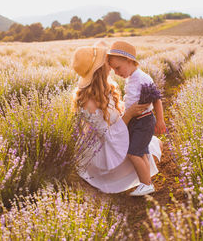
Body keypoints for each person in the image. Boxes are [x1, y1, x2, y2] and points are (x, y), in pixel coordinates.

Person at [71, 44, 162, 195]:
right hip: (105, 151)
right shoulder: (89, 102)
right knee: (143, 151)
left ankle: (145, 181)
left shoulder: (105, 86)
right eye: (106, 60)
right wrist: (129, 115)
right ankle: (143, 182)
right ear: (99, 69)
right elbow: (107, 136)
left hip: (118, 137)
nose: (110, 63)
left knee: (151, 145)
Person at [107, 40, 166, 196]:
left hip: (144, 121)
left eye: (118, 68)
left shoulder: (142, 78)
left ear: (129, 61)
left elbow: (156, 99)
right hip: (137, 121)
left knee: (134, 153)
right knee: (141, 153)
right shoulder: (131, 78)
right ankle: (146, 183)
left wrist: (160, 120)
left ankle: (146, 184)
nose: (116, 73)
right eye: (113, 69)